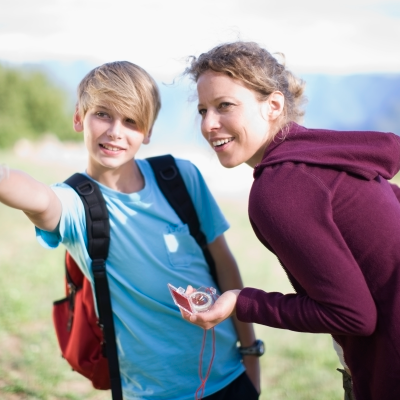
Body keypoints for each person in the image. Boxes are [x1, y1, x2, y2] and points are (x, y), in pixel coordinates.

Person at [0, 61, 261, 400]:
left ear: (148, 132)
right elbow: (33, 196)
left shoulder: (181, 178)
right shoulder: (76, 205)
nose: (115, 132)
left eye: (131, 121)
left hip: (229, 379)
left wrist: (250, 354)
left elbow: (225, 266)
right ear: (79, 117)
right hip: (149, 393)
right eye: (103, 114)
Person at [181, 41, 400, 400]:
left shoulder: (278, 190)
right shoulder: (328, 158)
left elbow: (353, 316)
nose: (208, 124)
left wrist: (240, 301)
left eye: (225, 106)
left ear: (273, 106)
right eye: (203, 109)